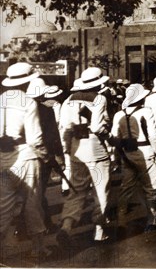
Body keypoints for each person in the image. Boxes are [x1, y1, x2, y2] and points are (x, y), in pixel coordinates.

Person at [57, 67, 112, 244]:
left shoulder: (68, 100)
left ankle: (67, 225)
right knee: (100, 190)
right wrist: (109, 136)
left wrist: (67, 149)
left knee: (77, 191)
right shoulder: (99, 98)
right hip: (95, 148)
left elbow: (64, 128)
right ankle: (99, 230)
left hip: (76, 148)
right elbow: (97, 127)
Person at [0, 63, 49, 259]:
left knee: (3, 207)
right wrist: (46, 156)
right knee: (32, 204)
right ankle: (38, 249)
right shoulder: (29, 102)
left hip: (3, 158)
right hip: (26, 156)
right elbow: (35, 138)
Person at [111, 84, 156, 231]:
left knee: (126, 188)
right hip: (145, 151)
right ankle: (152, 219)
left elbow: (116, 137)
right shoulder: (146, 112)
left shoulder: (119, 115)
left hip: (127, 153)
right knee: (151, 187)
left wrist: (117, 156)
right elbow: (152, 134)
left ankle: (121, 220)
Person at [26, 78, 64, 232]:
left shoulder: (21, 108)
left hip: (20, 156)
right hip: (41, 155)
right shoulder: (46, 110)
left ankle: (28, 225)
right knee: (39, 192)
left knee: (28, 193)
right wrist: (56, 157)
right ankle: (44, 224)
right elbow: (53, 137)